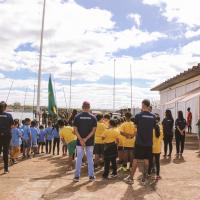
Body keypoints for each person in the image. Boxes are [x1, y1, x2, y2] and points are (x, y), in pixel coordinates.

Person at [124, 99, 158, 185]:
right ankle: (144, 179)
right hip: (149, 143)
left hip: (139, 142)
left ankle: (131, 178)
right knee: (146, 160)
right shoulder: (153, 116)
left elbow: (135, 128)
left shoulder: (138, 116)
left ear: (143, 105)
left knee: (136, 160)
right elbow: (154, 128)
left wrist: (131, 136)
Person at [73, 101, 97, 182]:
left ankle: (77, 176)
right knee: (90, 158)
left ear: (82, 107)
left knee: (79, 158)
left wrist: (81, 139)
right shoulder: (93, 117)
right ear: (89, 107)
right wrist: (86, 139)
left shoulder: (77, 116)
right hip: (89, 141)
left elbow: (75, 130)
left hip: (79, 142)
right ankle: (91, 176)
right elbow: (93, 131)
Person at [0, 101, 14, 173]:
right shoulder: (9, 115)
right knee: (5, 152)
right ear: (5, 107)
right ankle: (6, 169)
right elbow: (12, 125)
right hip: (7, 136)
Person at [148, 114, 163, 180]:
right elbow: (162, 138)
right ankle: (157, 175)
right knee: (157, 162)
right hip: (158, 148)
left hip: (151, 148)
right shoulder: (160, 131)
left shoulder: (150, 131)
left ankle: (148, 174)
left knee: (150, 162)